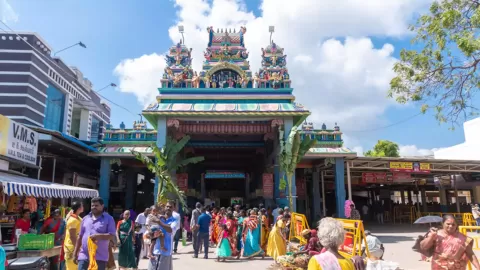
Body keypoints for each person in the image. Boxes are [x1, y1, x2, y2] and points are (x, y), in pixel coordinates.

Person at [74, 197, 116, 270]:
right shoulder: (85, 218)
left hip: (99, 257)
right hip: (84, 256)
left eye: (96, 205)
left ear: (102, 206)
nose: (94, 207)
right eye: (92, 205)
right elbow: (80, 236)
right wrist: (75, 253)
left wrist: (98, 236)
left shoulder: (109, 219)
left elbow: (111, 235)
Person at [148, 201, 178, 270]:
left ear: (174, 208)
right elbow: (150, 233)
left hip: (165, 253)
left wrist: (159, 222)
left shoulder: (175, 221)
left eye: (170, 207)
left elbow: (170, 230)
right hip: (155, 251)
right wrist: (151, 234)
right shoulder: (159, 217)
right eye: (167, 206)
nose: (168, 208)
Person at [64, 202, 84, 270]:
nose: (83, 207)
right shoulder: (72, 220)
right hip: (72, 247)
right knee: (72, 267)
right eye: (82, 206)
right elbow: (72, 236)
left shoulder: (78, 218)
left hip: (77, 246)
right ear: (79, 208)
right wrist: (77, 249)